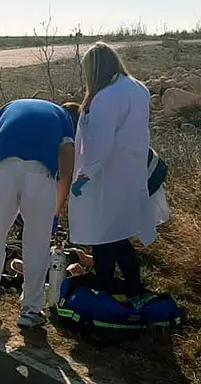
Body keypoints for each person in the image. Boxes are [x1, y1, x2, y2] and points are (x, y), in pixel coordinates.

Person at [0, 98, 76, 328]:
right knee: (37, 244)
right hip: (41, 173)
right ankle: (31, 311)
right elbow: (66, 169)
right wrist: (56, 209)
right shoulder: (63, 118)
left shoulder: (7, 107)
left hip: (3, 170)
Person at [63, 43, 154, 298]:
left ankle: (103, 287)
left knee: (102, 232)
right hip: (130, 171)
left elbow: (101, 144)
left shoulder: (106, 96)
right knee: (118, 230)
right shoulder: (137, 88)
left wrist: (84, 175)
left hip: (106, 175)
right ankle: (134, 286)